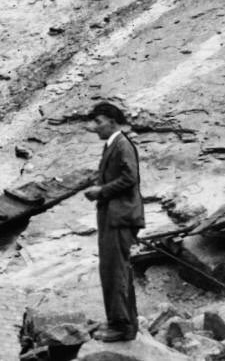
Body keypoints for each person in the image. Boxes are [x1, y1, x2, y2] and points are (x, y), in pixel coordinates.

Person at [83, 100, 145, 343]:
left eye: (98, 122)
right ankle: (120, 321)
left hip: (120, 217)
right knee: (112, 269)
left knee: (115, 270)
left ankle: (122, 327)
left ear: (111, 121)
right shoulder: (113, 144)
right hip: (113, 215)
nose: (95, 127)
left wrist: (102, 191)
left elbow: (130, 178)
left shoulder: (122, 144)